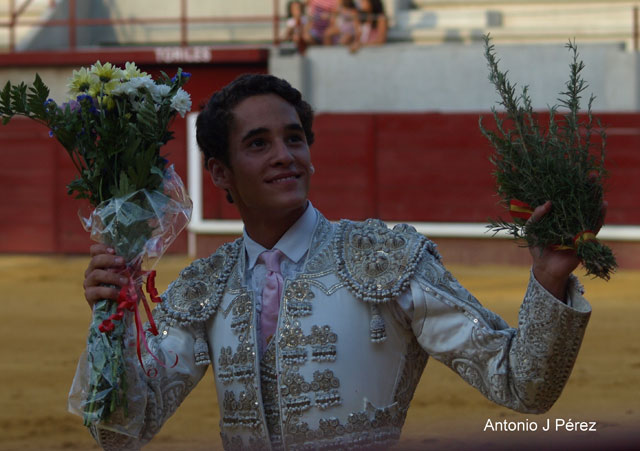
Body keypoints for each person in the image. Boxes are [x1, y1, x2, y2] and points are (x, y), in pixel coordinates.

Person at [79, 73, 593, 450]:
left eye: (294, 138)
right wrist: (112, 319)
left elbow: (521, 384)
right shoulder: (205, 286)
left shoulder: (385, 258)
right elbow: (123, 429)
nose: (285, 155)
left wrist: (548, 280)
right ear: (219, 172)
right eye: (259, 144)